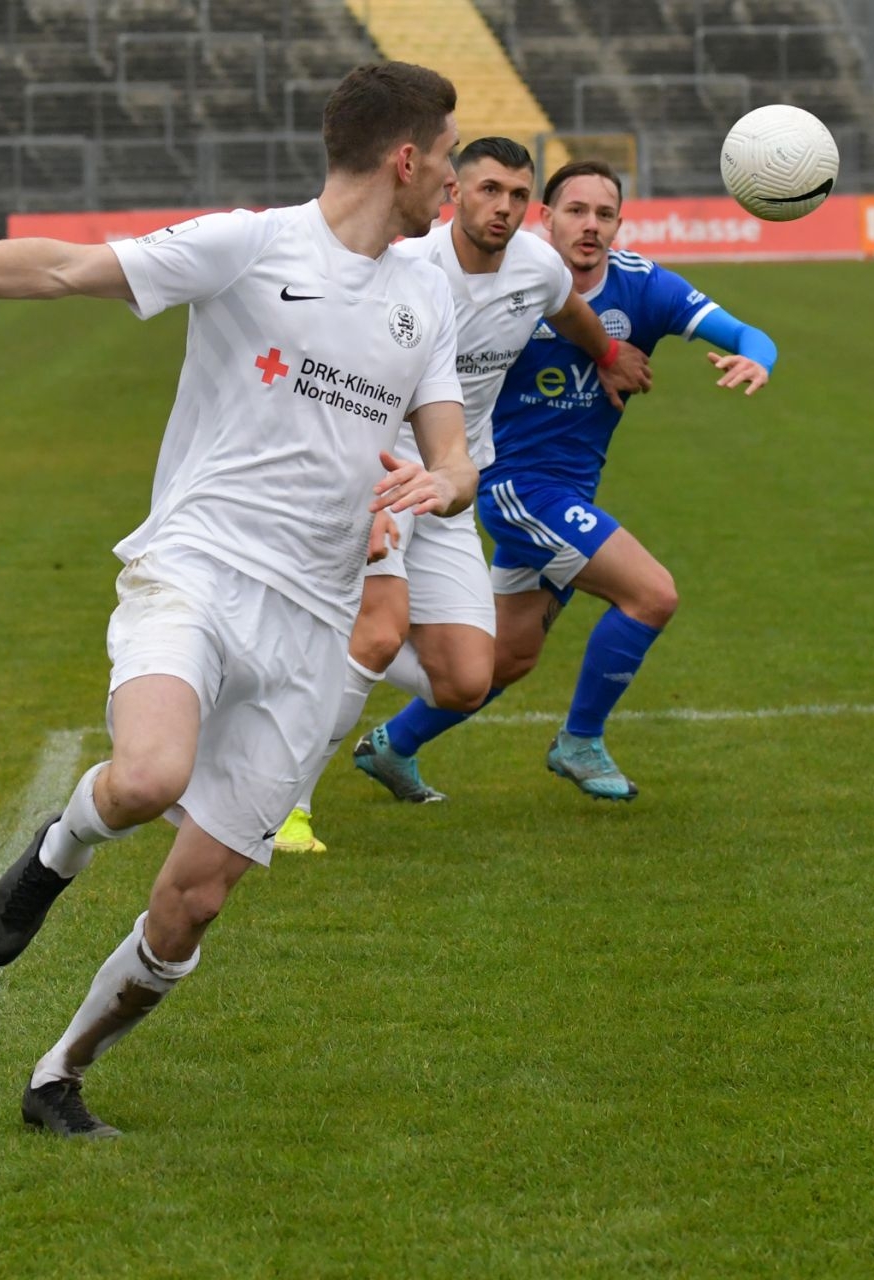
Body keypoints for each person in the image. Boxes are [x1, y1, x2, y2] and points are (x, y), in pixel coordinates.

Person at [0, 62, 475, 1137]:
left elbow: (450, 448)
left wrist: (442, 480)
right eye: (446, 154)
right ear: (405, 157)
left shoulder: (425, 290)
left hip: (311, 629)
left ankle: (59, 1071)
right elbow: (62, 269)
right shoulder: (254, 244)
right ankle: (57, 852)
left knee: (191, 903)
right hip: (198, 569)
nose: (453, 174)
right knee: (151, 773)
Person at [352, 159, 779, 803]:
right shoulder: (508, 283)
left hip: (571, 491)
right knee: (652, 594)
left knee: (509, 658)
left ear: (619, 225)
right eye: (574, 211)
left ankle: (392, 747)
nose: (590, 225)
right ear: (545, 219)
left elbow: (750, 333)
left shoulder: (642, 286)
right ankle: (580, 740)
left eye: (605, 214)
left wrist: (756, 358)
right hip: (512, 487)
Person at [277, 136, 651, 851]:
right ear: (455, 191)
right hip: (378, 469)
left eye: (517, 195)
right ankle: (284, 807)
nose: (503, 208)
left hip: (455, 479)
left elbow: (570, 311)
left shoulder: (539, 266)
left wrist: (607, 354)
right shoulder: (405, 264)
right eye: (488, 191)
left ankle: (308, 653)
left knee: (464, 681)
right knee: (381, 630)